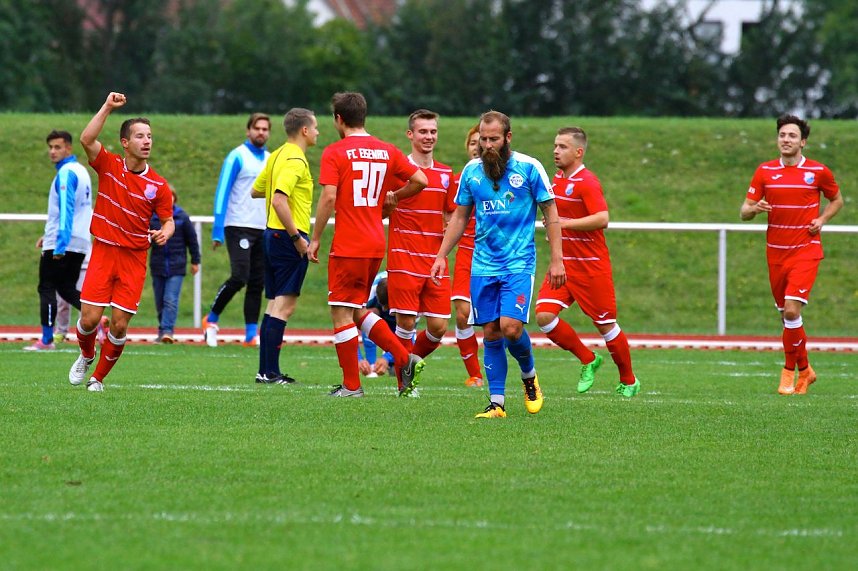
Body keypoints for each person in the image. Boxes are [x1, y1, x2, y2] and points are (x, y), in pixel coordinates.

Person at [430, 110, 565, 418]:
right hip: (483, 266)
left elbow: (551, 213)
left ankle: (529, 376)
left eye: (493, 139)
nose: (487, 145)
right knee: (491, 331)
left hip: (518, 264)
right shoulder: (472, 172)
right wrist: (441, 255)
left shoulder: (529, 168)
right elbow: (460, 217)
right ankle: (497, 403)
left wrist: (557, 260)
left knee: (511, 328)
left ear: (508, 138)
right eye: (483, 139)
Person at [308, 91, 428, 398]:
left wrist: (317, 237)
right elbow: (420, 180)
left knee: (340, 312)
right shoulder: (386, 150)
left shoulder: (335, 152)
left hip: (349, 242)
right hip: (376, 240)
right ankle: (402, 359)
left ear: (338, 119)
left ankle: (352, 385)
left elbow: (329, 197)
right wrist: (394, 200)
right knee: (358, 309)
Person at [68, 92, 174, 392]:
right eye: (140, 136)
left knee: (119, 325)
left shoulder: (159, 185)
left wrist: (166, 230)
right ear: (125, 142)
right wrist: (107, 107)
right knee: (89, 320)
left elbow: (168, 219)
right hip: (103, 251)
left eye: (150, 136)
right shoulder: (109, 165)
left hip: (134, 258)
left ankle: (97, 379)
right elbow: (87, 139)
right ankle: (87, 355)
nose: (147, 141)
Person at [741, 114, 843, 395]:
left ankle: (788, 372)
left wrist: (822, 220)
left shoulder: (818, 172)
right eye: (782, 135)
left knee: (791, 309)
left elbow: (837, 199)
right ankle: (807, 370)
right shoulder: (764, 172)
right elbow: (744, 211)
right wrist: (754, 209)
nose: (786, 140)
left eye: (792, 136)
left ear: (803, 142)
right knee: (787, 318)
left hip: (805, 250)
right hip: (775, 253)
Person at [534, 127, 640, 398]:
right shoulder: (554, 180)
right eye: (555, 145)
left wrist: (565, 224)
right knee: (544, 316)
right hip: (563, 265)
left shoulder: (587, 181)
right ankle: (587, 359)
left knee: (606, 326)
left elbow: (602, 218)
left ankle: (628, 380)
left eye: (563, 147)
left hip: (591, 266)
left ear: (578, 152)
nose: (556, 151)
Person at [386, 110, 455, 389]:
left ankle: (407, 363)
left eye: (433, 131)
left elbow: (451, 216)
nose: (429, 137)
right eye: (423, 131)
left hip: (435, 259)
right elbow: (381, 209)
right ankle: (405, 386)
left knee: (438, 327)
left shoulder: (447, 174)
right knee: (406, 323)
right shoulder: (397, 171)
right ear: (410, 135)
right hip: (404, 256)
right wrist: (388, 206)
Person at [250, 108, 318, 385]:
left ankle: (265, 371)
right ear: (304, 130)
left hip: (271, 235)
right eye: (315, 127)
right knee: (284, 307)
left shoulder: (277, 154)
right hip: (288, 237)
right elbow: (279, 199)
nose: (317, 132)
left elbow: (257, 190)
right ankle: (270, 372)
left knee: (273, 305)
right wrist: (297, 239)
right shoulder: (294, 159)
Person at [203, 113, 271, 347]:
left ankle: (251, 334)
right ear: (248, 131)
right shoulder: (237, 156)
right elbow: (222, 192)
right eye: (257, 128)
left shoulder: (271, 159)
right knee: (240, 276)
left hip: (262, 227)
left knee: (257, 282)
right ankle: (211, 319)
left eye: (265, 129)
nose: (261, 132)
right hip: (238, 225)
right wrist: (217, 230)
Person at [25, 130, 93, 352]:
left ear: (68, 148)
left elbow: (67, 208)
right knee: (66, 287)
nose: (52, 151)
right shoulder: (82, 171)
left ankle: (46, 340)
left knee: (46, 287)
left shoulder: (66, 173)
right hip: (81, 239)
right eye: (51, 147)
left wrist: (59, 243)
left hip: (63, 241)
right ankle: (95, 318)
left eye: (57, 147)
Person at [450, 125, 484, 387]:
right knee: (462, 313)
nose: (476, 146)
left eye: (480, 141)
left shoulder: (502, 176)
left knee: (498, 322)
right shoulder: (459, 178)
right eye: (472, 142)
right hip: (467, 250)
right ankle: (475, 374)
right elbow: (451, 214)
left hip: (494, 252)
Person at [149, 188, 201, 344]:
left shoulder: (182, 217)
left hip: (177, 266)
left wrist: (195, 261)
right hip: (157, 266)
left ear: (174, 198)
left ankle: (167, 331)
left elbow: (192, 241)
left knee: (170, 299)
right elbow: (144, 239)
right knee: (159, 301)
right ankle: (162, 329)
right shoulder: (152, 218)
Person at [358, 271, 396, 378]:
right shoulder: (368, 294)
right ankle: (371, 365)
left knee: (400, 369)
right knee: (368, 315)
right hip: (375, 307)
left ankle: (393, 362)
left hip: (401, 311)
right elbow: (347, 324)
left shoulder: (410, 298)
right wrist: (358, 359)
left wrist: (387, 358)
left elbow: (409, 333)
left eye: (387, 306)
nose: (385, 309)